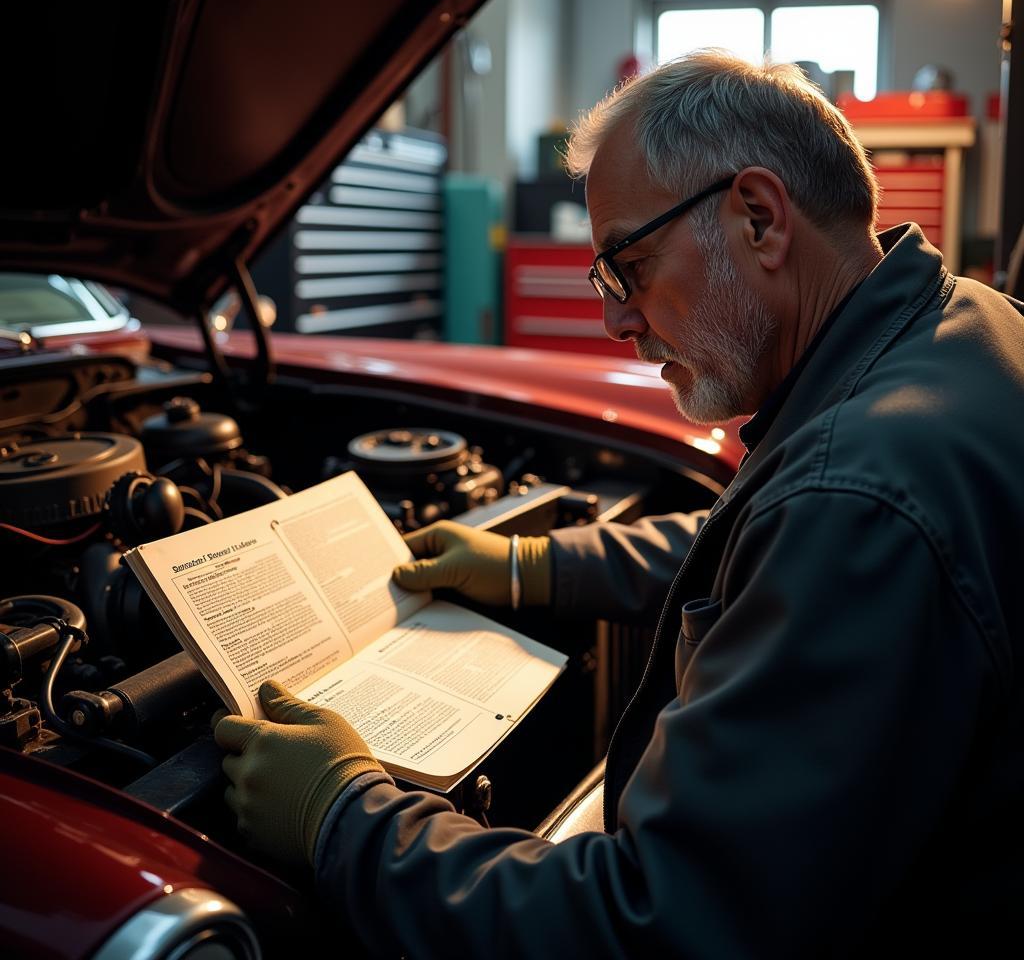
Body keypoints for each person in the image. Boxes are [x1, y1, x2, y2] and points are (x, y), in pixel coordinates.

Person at [214, 50, 1024, 956]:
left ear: (759, 218)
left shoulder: (858, 495)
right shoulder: (962, 327)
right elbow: (765, 544)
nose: (617, 320)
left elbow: (662, 926)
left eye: (626, 266)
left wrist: (342, 817)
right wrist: (535, 565)